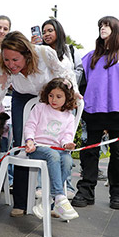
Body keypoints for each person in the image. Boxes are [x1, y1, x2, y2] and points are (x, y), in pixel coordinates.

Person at [0, 30, 77, 216]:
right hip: (22, 98)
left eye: (15, 60)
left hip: (50, 98)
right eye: (7, 59)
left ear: (27, 54)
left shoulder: (44, 53)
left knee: (57, 150)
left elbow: (65, 74)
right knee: (21, 144)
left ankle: (51, 200)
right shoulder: (5, 67)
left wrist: (70, 91)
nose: (11, 64)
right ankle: (21, 202)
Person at [72, 16, 119, 210]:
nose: (103, 28)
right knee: (89, 151)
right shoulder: (90, 56)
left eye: (107, 25)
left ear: (116, 29)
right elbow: (81, 84)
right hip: (93, 110)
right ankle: (86, 191)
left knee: (117, 153)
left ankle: (117, 194)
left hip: (118, 110)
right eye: (101, 25)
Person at [24, 78, 79, 220]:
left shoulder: (69, 117)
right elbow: (30, 126)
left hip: (57, 150)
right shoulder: (40, 108)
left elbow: (67, 136)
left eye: (59, 96)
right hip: (37, 148)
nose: (53, 99)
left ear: (67, 97)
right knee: (54, 155)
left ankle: (47, 202)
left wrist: (68, 144)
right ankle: (59, 197)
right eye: (51, 95)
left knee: (67, 160)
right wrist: (29, 140)